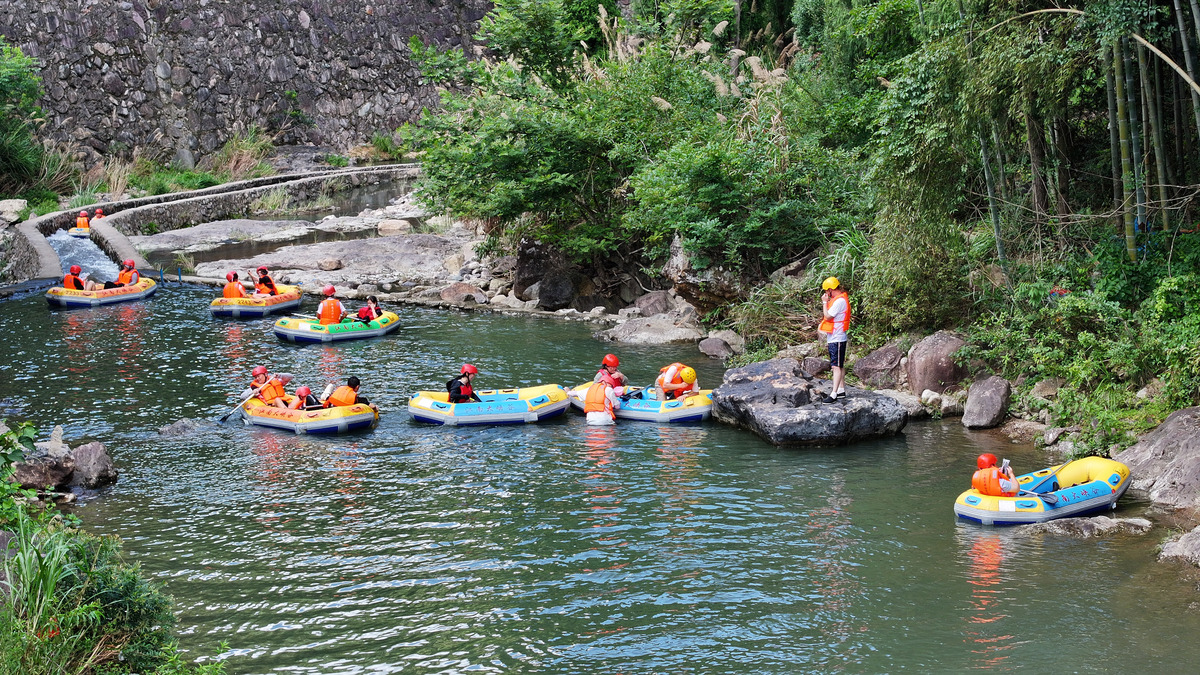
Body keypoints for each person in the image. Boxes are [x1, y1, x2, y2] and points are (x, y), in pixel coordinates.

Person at [817, 276, 850, 400]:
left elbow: (828, 316)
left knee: (836, 366)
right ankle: (841, 389)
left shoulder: (839, 301)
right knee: (838, 365)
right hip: (835, 337)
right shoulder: (838, 299)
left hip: (838, 338)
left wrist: (824, 302)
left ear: (830, 289)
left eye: (826, 291)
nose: (826, 294)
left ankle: (834, 393)